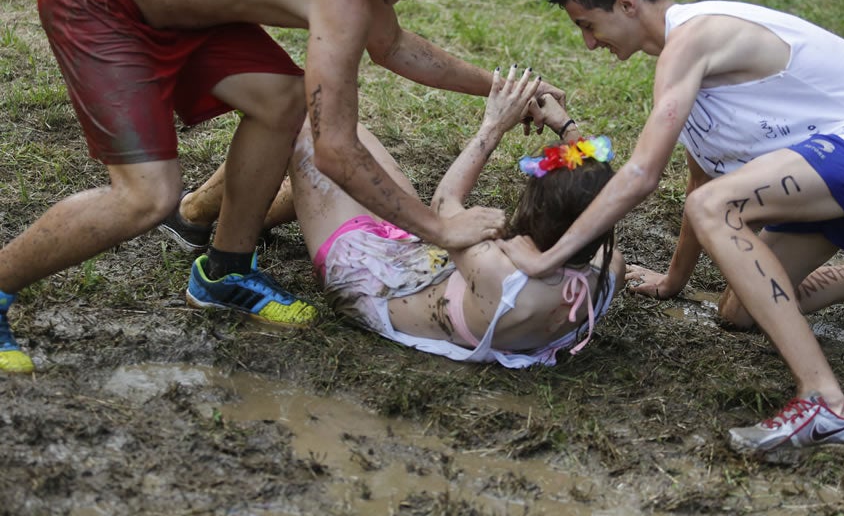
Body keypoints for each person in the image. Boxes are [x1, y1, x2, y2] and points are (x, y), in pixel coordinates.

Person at [0, 0, 565, 374]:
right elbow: (336, 152)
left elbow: (390, 45)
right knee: (146, 197)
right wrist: (439, 229)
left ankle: (225, 271)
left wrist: (507, 90)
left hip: (179, 8)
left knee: (281, 99)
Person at [499, 0, 844, 456]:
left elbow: (641, 176)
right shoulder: (688, 74)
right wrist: (673, 281)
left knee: (714, 208)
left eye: (588, 25)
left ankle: (827, 403)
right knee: (739, 312)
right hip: (839, 159)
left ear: (627, 4)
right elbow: (699, 180)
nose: (588, 42)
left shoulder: (692, 41)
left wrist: (554, 257)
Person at [176, 66, 625, 366]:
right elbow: (601, 194)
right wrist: (565, 126)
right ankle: (214, 212)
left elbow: (445, 205)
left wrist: (493, 125)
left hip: (363, 274)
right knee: (336, 164)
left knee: (312, 123)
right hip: (416, 257)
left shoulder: (495, 267)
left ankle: (194, 216)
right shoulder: (607, 270)